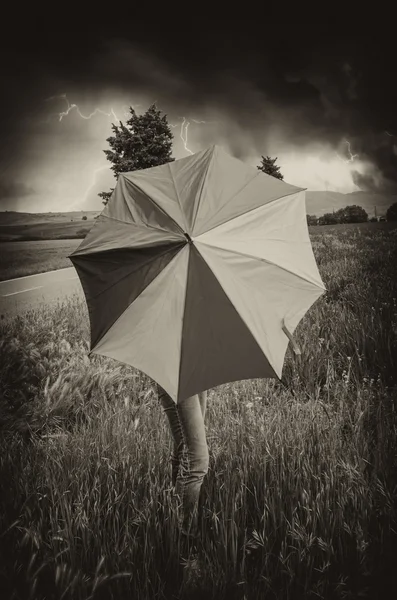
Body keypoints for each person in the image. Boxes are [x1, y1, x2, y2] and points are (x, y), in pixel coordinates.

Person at [157, 385, 209, 542]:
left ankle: (174, 530)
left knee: (184, 449)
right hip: (176, 375)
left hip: (196, 370)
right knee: (197, 459)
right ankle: (186, 539)